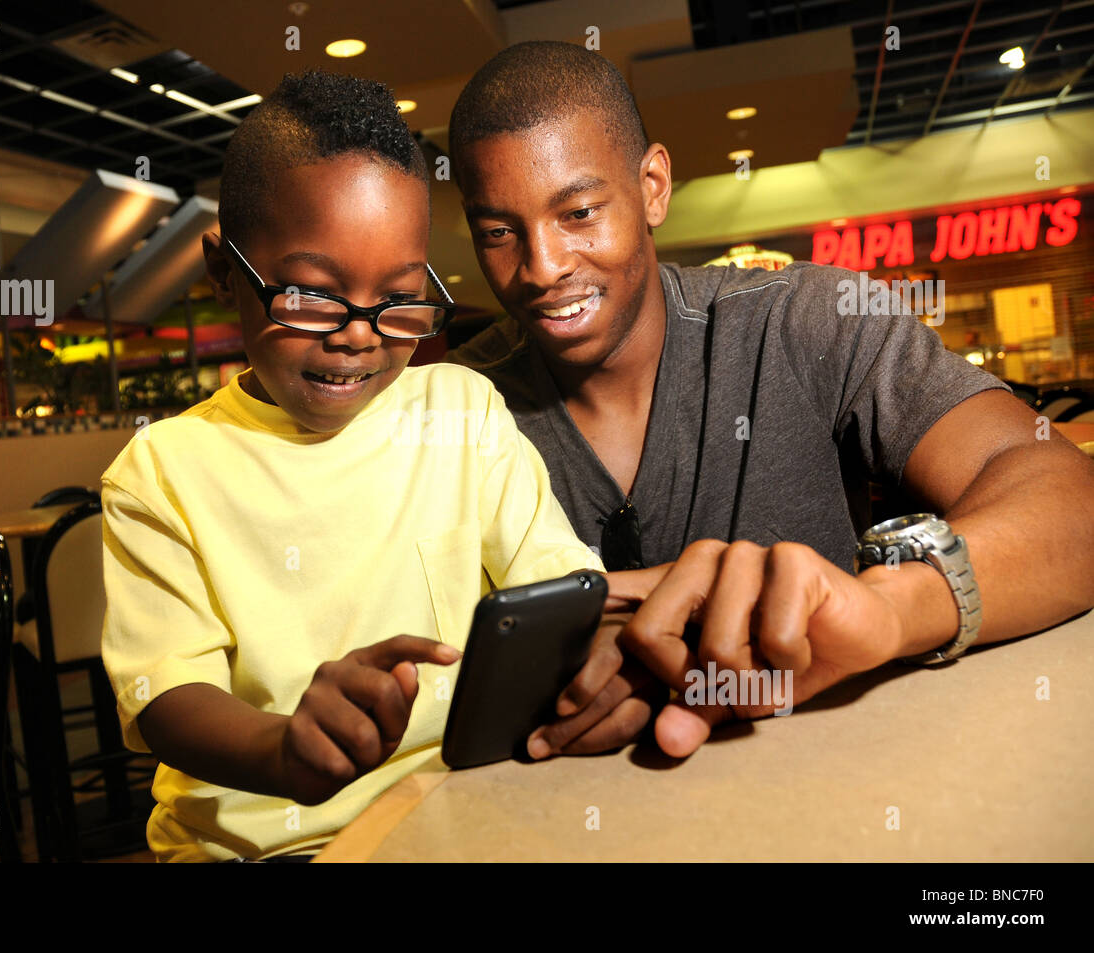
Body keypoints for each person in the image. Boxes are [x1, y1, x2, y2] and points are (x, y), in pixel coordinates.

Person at [445, 41, 1094, 761]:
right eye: (499, 233)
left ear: (653, 185)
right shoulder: (456, 405)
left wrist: (890, 607)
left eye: (578, 212)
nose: (543, 267)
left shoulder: (810, 320)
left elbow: (1069, 500)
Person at [99, 70, 614, 861]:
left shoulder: (461, 413)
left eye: (400, 299)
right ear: (222, 268)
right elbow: (165, 695)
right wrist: (282, 748)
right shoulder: (162, 470)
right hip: (267, 844)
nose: (358, 337)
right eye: (310, 297)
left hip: (461, 807)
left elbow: (558, 590)